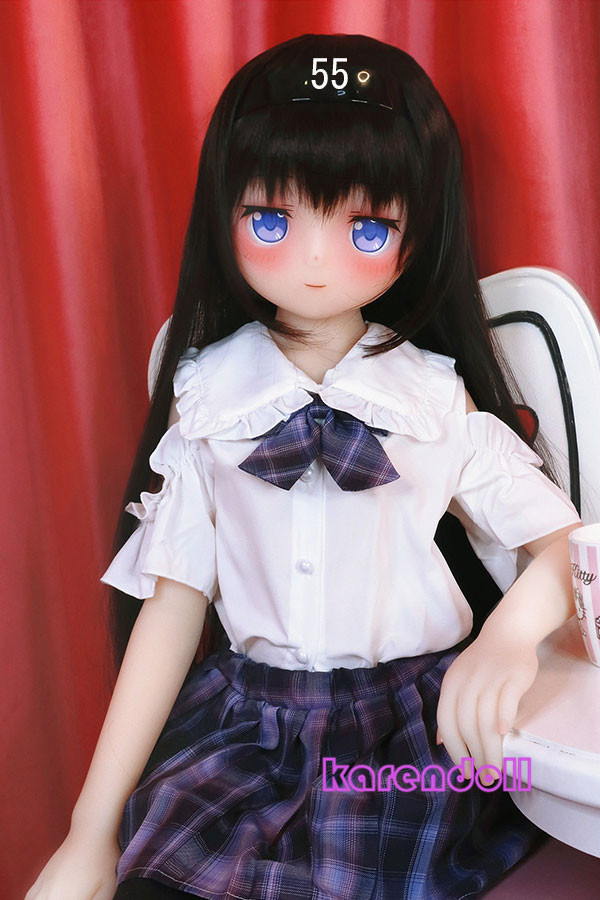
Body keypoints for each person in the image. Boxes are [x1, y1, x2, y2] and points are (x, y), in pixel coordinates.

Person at [25, 33, 582, 900]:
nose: (317, 263)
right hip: (247, 736)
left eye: (366, 227)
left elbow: (567, 549)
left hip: (409, 745)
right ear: (226, 216)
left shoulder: (430, 400)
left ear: (416, 234)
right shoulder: (210, 402)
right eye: (273, 221)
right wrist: (88, 830)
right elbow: (173, 608)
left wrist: (507, 637)